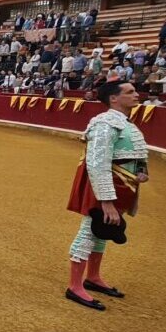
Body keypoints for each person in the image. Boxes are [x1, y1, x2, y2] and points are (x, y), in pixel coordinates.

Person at [64, 80, 149, 310]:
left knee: (103, 231)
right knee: (90, 230)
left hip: (122, 184)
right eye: (130, 92)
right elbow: (97, 162)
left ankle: (92, 277)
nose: (136, 95)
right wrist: (106, 200)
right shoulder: (104, 123)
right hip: (106, 185)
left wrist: (141, 171)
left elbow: (137, 155)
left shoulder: (124, 123)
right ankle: (74, 286)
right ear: (114, 98)